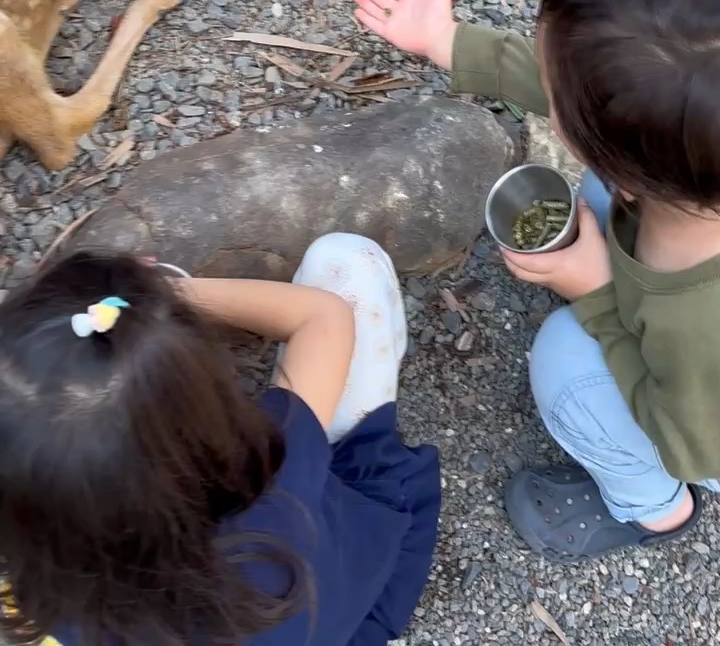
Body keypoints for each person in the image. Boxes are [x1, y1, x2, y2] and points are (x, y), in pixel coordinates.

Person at [355, 0, 720, 562]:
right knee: (601, 194)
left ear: (632, 170)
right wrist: (450, 43)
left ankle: (655, 508)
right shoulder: (693, 146)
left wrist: (599, 297)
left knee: (565, 358)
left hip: (703, 431)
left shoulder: (698, 321)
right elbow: (604, 98)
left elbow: (692, 438)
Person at [0, 235, 440, 646]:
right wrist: (161, 301)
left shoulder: (44, 592)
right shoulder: (274, 487)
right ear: (203, 433)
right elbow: (322, 317)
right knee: (346, 258)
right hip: (352, 597)